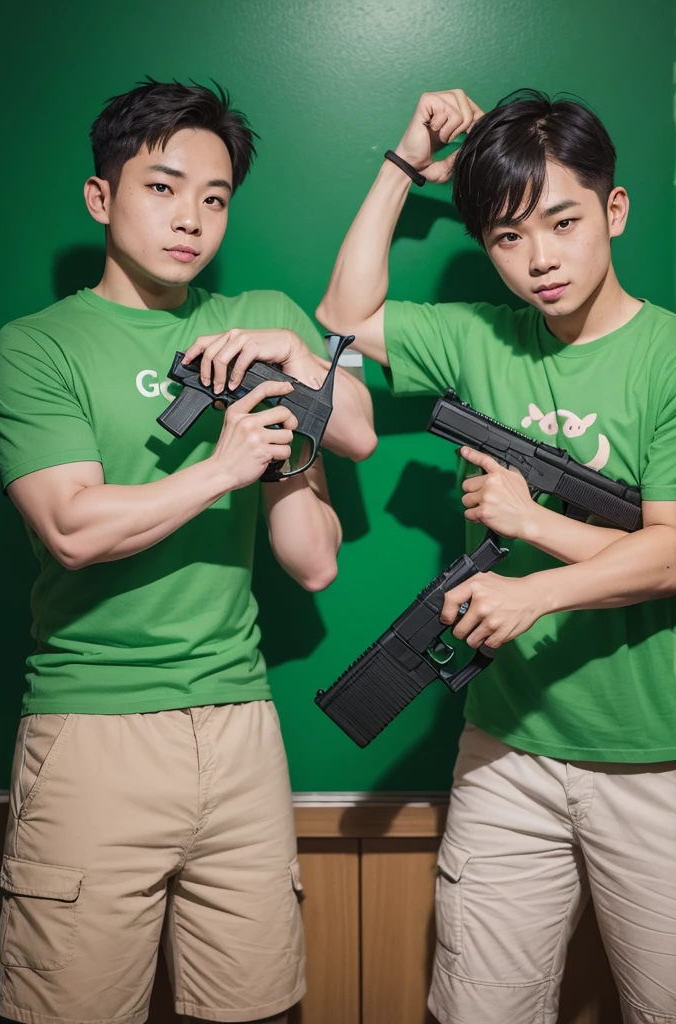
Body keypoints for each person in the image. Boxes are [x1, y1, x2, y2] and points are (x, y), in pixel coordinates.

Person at [0, 79, 376, 1024]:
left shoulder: (253, 319)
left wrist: (289, 396)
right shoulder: (37, 346)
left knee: (257, 1008)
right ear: (101, 199)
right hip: (95, 731)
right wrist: (221, 467)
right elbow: (72, 528)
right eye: (163, 188)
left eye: (214, 198)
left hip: (242, 727)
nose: (191, 219)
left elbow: (314, 562)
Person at [317, 88, 676, 1024]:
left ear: (615, 210)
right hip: (504, 759)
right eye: (509, 240)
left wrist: (539, 562)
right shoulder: (484, 340)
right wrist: (401, 163)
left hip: (657, 764)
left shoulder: (669, 358)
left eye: (562, 221)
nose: (540, 260)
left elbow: (675, 552)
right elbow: (341, 317)